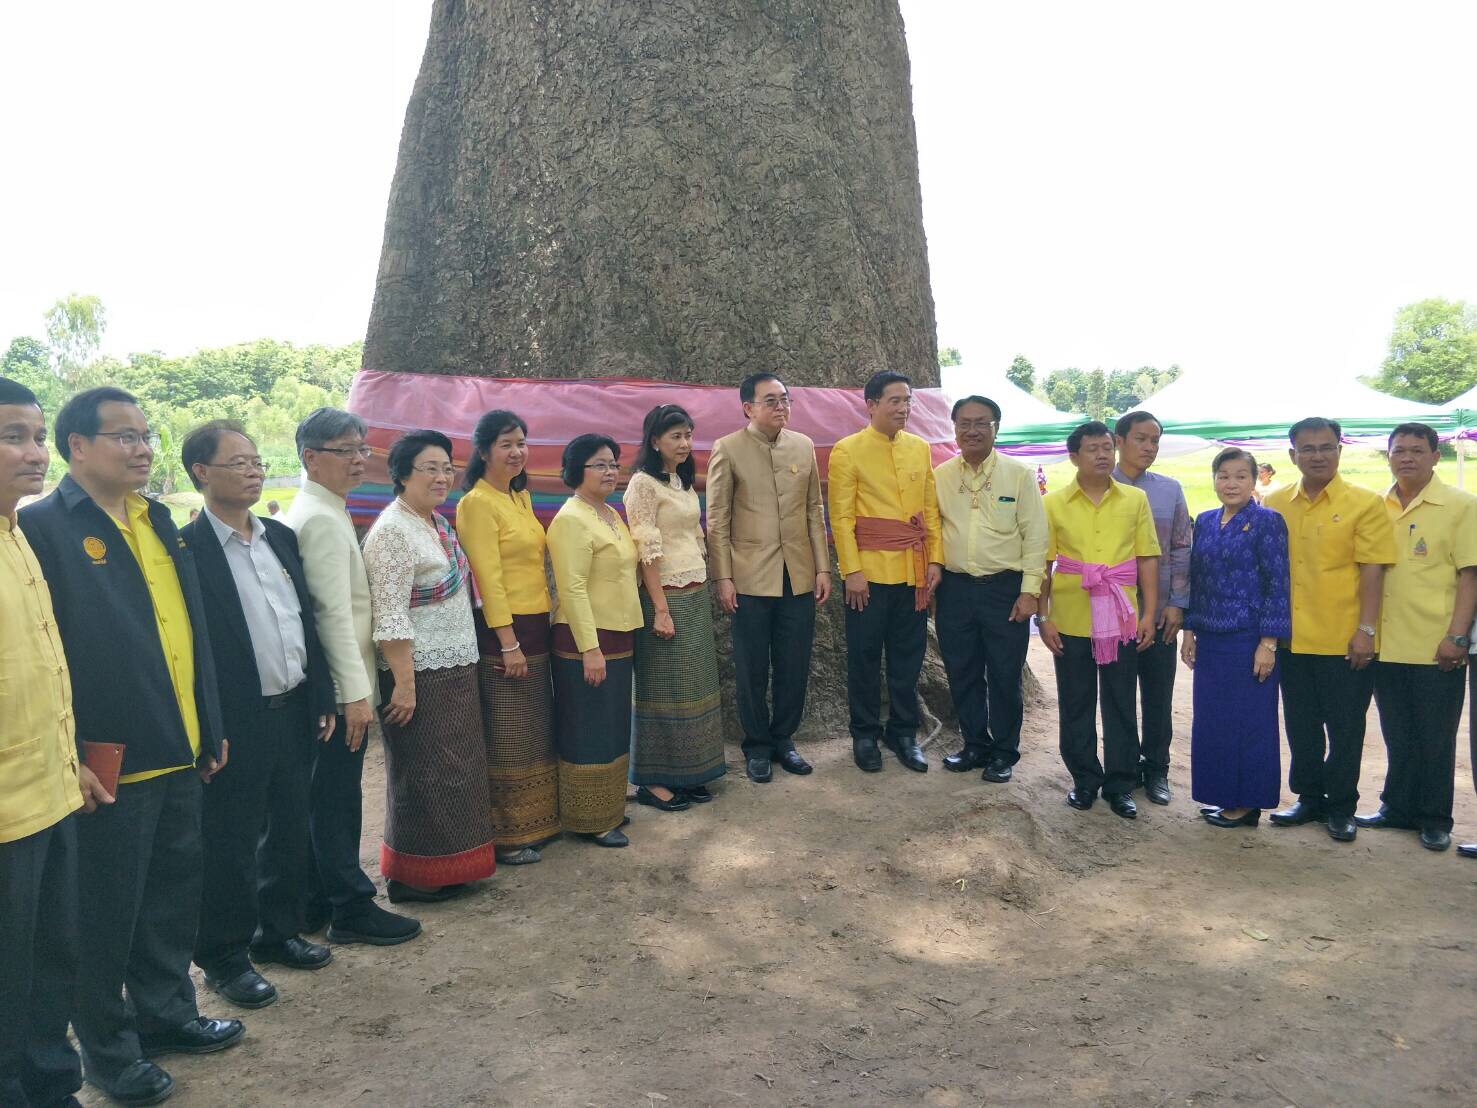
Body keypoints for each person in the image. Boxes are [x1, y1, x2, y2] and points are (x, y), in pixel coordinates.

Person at [19, 387, 241, 1105]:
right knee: (104, 916)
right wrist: (75, 753)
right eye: (124, 436)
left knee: (171, 897)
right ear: (77, 446)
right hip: (109, 760)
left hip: (180, 741)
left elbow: (190, 628)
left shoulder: (158, 517)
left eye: (145, 435)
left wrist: (209, 720)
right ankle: (109, 1054)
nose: (142, 448)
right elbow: (51, 654)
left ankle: (168, 1015)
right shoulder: (43, 527)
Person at [180, 421, 338, 1009]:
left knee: (289, 826)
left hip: (293, 708)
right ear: (201, 472)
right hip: (235, 719)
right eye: (238, 463)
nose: (253, 471)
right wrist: (208, 725)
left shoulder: (279, 536)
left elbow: (304, 621)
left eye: (256, 462)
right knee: (231, 840)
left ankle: (279, 932)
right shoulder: (187, 550)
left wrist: (321, 694)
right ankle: (224, 957)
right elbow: (193, 649)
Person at [0, 378, 106, 1108]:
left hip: (52, 794)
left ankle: (49, 1085)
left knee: (51, 959)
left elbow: (38, 678)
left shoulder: (19, 536)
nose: (35, 452)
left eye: (38, 437)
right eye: (14, 437)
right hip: (6, 814)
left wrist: (72, 766)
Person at [284, 408, 420, 945]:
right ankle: (350, 908)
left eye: (362, 449)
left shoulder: (326, 507)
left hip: (342, 684)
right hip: (343, 688)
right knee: (337, 798)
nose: (359, 459)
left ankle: (316, 899)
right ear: (310, 457)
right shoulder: (318, 517)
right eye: (346, 450)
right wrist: (354, 694)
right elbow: (332, 614)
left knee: (328, 795)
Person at [363, 430, 495, 901]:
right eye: (430, 469)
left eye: (447, 468)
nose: (442, 477)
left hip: (454, 666)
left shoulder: (435, 523)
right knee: (423, 773)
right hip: (418, 673)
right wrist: (404, 684)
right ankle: (412, 877)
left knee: (456, 771)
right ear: (401, 474)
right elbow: (390, 613)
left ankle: (451, 867)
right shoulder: (392, 532)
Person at [1264, 417, 1396, 842]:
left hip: (1344, 639)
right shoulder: (1275, 502)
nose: (1317, 456)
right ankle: (1308, 798)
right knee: (1300, 724)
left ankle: (1341, 806)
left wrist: (1366, 630)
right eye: (1308, 449)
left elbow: (1372, 570)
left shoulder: (1365, 503)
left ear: (1340, 450)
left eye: (1326, 447)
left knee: (1345, 728)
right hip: (1292, 638)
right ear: (1293, 455)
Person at [1357, 424, 1477, 851]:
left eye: (1417, 450)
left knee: (1435, 737)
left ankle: (1434, 817)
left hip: (1435, 643)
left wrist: (1457, 636)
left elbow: (1470, 576)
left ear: (1435, 456)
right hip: (1387, 642)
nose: (1407, 458)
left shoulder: (1461, 505)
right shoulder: (1376, 505)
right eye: (1399, 450)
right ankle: (1397, 807)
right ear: (1388, 455)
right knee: (1397, 731)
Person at [706, 372, 830, 783]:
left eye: (785, 399)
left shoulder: (803, 445)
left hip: (798, 574)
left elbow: (814, 510)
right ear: (748, 408)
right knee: (751, 667)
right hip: (749, 578)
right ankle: (756, 745)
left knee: (795, 663)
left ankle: (784, 739)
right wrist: (723, 578)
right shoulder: (728, 449)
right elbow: (717, 520)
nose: (781, 407)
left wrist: (822, 567)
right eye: (771, 401)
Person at [1038, 421, 1161, 820]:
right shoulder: (1054, 503)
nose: (1103, 455)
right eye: (1093, 449)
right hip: (1070, 619)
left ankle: (1121, 783)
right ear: (1074, 456)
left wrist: (1149, 613)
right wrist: (1044, 617)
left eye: (1107, 447)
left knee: (1121, 701)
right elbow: (1043, 564)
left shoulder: (1135, 500)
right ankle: (1084, 780)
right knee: (1076, 701)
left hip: (1121, 619)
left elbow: (1147, 558)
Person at [829, 370, 943, 773]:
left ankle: (903, 732)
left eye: (907, 400)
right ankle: (863, 733)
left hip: (913, 574)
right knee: (863, 657)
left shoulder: (919, 448)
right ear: (872, 405)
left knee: (908, 658)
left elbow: (929, 511)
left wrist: (935, 560)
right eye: (894, 400)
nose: (903, 408)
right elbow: (841, 517)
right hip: (868, 575)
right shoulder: (847, 451)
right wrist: (852, 571)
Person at [457, 410, 559, 866]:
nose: (517, 452)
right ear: (483, 451)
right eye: (506, 444)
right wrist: (508, 641)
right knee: (507, 730)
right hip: (505, 631)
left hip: (536, 624)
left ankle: (538, 821)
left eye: (521, 442)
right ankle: (507, 834)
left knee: (533, 726)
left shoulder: (519, 497)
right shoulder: (477, 503)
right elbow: (486, 579)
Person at [933, 395, 1047, 783]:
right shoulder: (941, 475)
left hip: (1005, 589)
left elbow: (1036, 536)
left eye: (982, 422)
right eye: (964, 423)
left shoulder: (1018, 475)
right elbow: (932, 531)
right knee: (961, 670)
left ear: (996, 428)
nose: (973, 430)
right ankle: (974, 744)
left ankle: (1004, 752)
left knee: (1004, 674)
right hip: (955, 589)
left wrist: (1030, 591)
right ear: (954, 429)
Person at [623, 405, 727, 810]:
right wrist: (661, 609)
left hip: (694, 592)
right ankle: (653, 781)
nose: (685, 443)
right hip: (664, 596)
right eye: (675, 436)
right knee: (663, 686)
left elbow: (691, 536)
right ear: (654, 441)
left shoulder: (681, 480)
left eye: (688, 435)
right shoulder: (643, 485)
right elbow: (645, 550)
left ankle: (690, 772)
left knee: (693, 685)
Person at [1180, 448, 1291, 828]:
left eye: (1241, 476)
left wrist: (1268, 643)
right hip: (1211, 640)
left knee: (1249, 722)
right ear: (1214, 479)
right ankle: (1224, 796)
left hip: (1248, 639)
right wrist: (1190, 631)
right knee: (1214, 721)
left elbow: (1277, 583)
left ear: (1254, 480)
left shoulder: (1267, 521)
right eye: (1224, 475)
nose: (1231, 483)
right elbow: (1197, 581)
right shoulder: (1206, 521)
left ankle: (1248, 803)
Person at [546, 434, 643, 847]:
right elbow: (572, 588)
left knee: (613, 724)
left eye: (613, 464)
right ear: (576, 470)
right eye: (600, 464)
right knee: (588, 727)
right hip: (586, 639)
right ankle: (589, 818)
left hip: (618, 634)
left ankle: (608, 807)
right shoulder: (571, 519)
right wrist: (590, 649)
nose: (610, 471)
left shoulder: (609, 513)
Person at [1111, 411, 1191, 805]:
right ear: (1119, 441)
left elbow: (1181, 547)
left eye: (1155, 441)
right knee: (1118, 696)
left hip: (1160, 615)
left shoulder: (1170, 490)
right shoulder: (1100, 487)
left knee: (1158, 696)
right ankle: (1123, 769)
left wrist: (1177, 604)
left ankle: (1157, 768)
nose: (1149, 447)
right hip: (1111, 614)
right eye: (1140, 439)